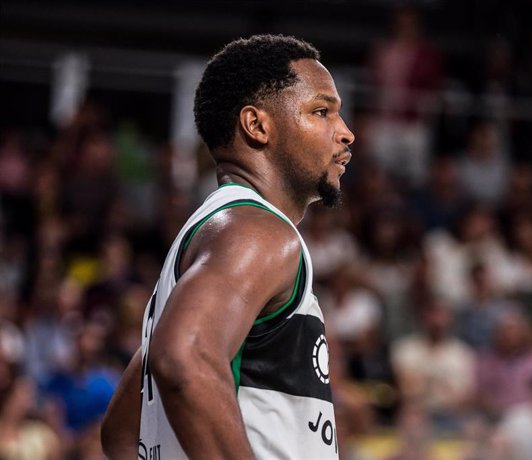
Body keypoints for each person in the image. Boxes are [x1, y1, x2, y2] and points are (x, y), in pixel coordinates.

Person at [100, 34, 354, 459]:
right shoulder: (256, 232)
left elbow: (123, 433)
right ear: (257, 126)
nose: (346, 133)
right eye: (321, 111)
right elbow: (183, 356)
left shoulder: (213, 238)